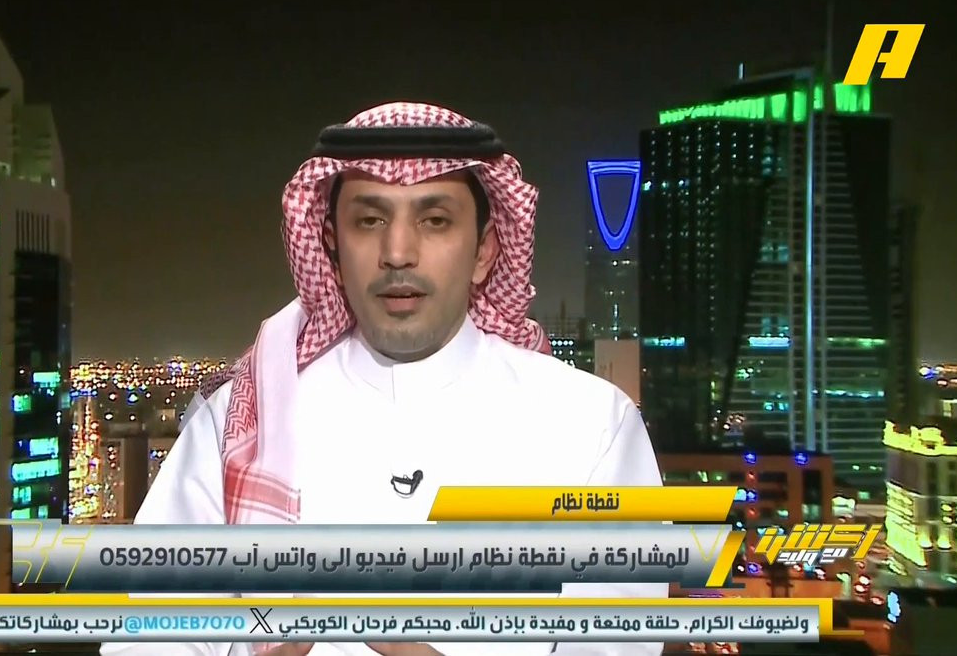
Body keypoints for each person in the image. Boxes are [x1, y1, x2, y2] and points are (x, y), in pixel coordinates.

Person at [100, 102, 665, 656]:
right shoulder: (238, 422)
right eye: (369, 221)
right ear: (330, 244)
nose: (397, 253)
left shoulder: (593, 426)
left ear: (485, 251)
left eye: (435, 220)